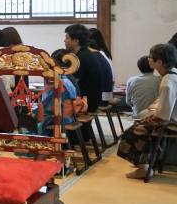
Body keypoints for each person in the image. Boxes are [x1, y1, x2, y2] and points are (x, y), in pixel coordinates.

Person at [118, 43, 177, 179]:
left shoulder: (167, 82)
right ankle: (144, 163)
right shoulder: (173, 73)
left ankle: (144, 168)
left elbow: (163, 115)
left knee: (133, 131)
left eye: (151, 57)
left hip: (171, 122)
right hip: (170, 118)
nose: (148, 59)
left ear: (159, 62)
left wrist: (145, 119)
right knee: (140, 124)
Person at [64, 24, 108, 112]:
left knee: (53, 107)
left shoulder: (81, 58)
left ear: (76, 41)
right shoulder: (86, 53)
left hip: (87, 103)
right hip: (93, 100)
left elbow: (72, 84)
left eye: (67, 38)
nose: (64, 40)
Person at [38, 50, 79, 136]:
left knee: (31, 121)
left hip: (61, 118)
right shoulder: (67, 79)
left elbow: (47, 107)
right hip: (69, 116)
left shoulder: (60, 83)